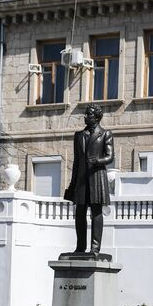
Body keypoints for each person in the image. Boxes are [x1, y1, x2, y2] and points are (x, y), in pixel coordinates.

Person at [63, 104, 114, 258]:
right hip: (81, 180)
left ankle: (95, 248)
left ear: (97, 117)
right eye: (85, 114)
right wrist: (72, 183)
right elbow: (76, 161)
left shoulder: (105, 134)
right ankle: (80, 247)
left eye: (89, 114)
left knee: (96, 213)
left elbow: (110, 157)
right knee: (79, 213)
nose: (85, 117)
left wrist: (97, 161)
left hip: (96, 177)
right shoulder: (78, 136)